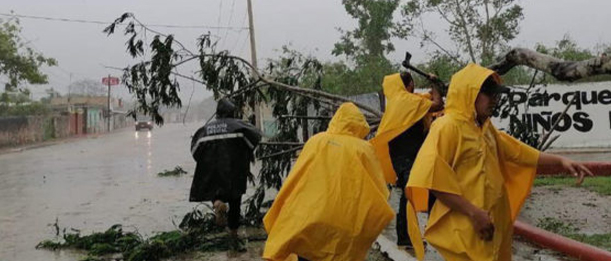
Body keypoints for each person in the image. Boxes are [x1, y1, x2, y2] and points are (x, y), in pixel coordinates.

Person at [405, 64, 593, 261]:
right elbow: (434, 178)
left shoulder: (485, 129)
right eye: (489, 95)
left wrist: (561, 161)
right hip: (466, 226)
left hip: (491, 224)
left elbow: (520, 153)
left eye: (496, 95)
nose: (494, 100)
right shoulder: (447, 127)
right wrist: (474, 213)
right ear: (470, 94)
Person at [263, 102, 394, 261]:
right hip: (345, 224)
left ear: (336, 119)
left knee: (307, 252)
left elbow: (296, 178)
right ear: (359, 124)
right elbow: (379, 191)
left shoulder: (316, 141)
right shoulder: (364, 149)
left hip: (309, 220)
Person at [371, 71, 444, 247]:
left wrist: (436, 88)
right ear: (409, 84)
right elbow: (437, 104)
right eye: (413, 82)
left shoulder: (398, 102)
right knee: (413, 194)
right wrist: (434, 83)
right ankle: (407, 236)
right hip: (409, 157)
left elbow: (427, 98)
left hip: (400, 157)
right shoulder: (409, 101)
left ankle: (422, 232)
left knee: (421, 191)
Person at [189, 98, 262, 250]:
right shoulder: (239, 126)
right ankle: (234, 238)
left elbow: (195, 152)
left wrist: (208, 163)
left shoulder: (205, 130)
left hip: (213, 173)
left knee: (215, 192)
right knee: (235, 203)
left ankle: (217, 203)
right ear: (232, 112)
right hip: (235, 172)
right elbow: (255, 137)